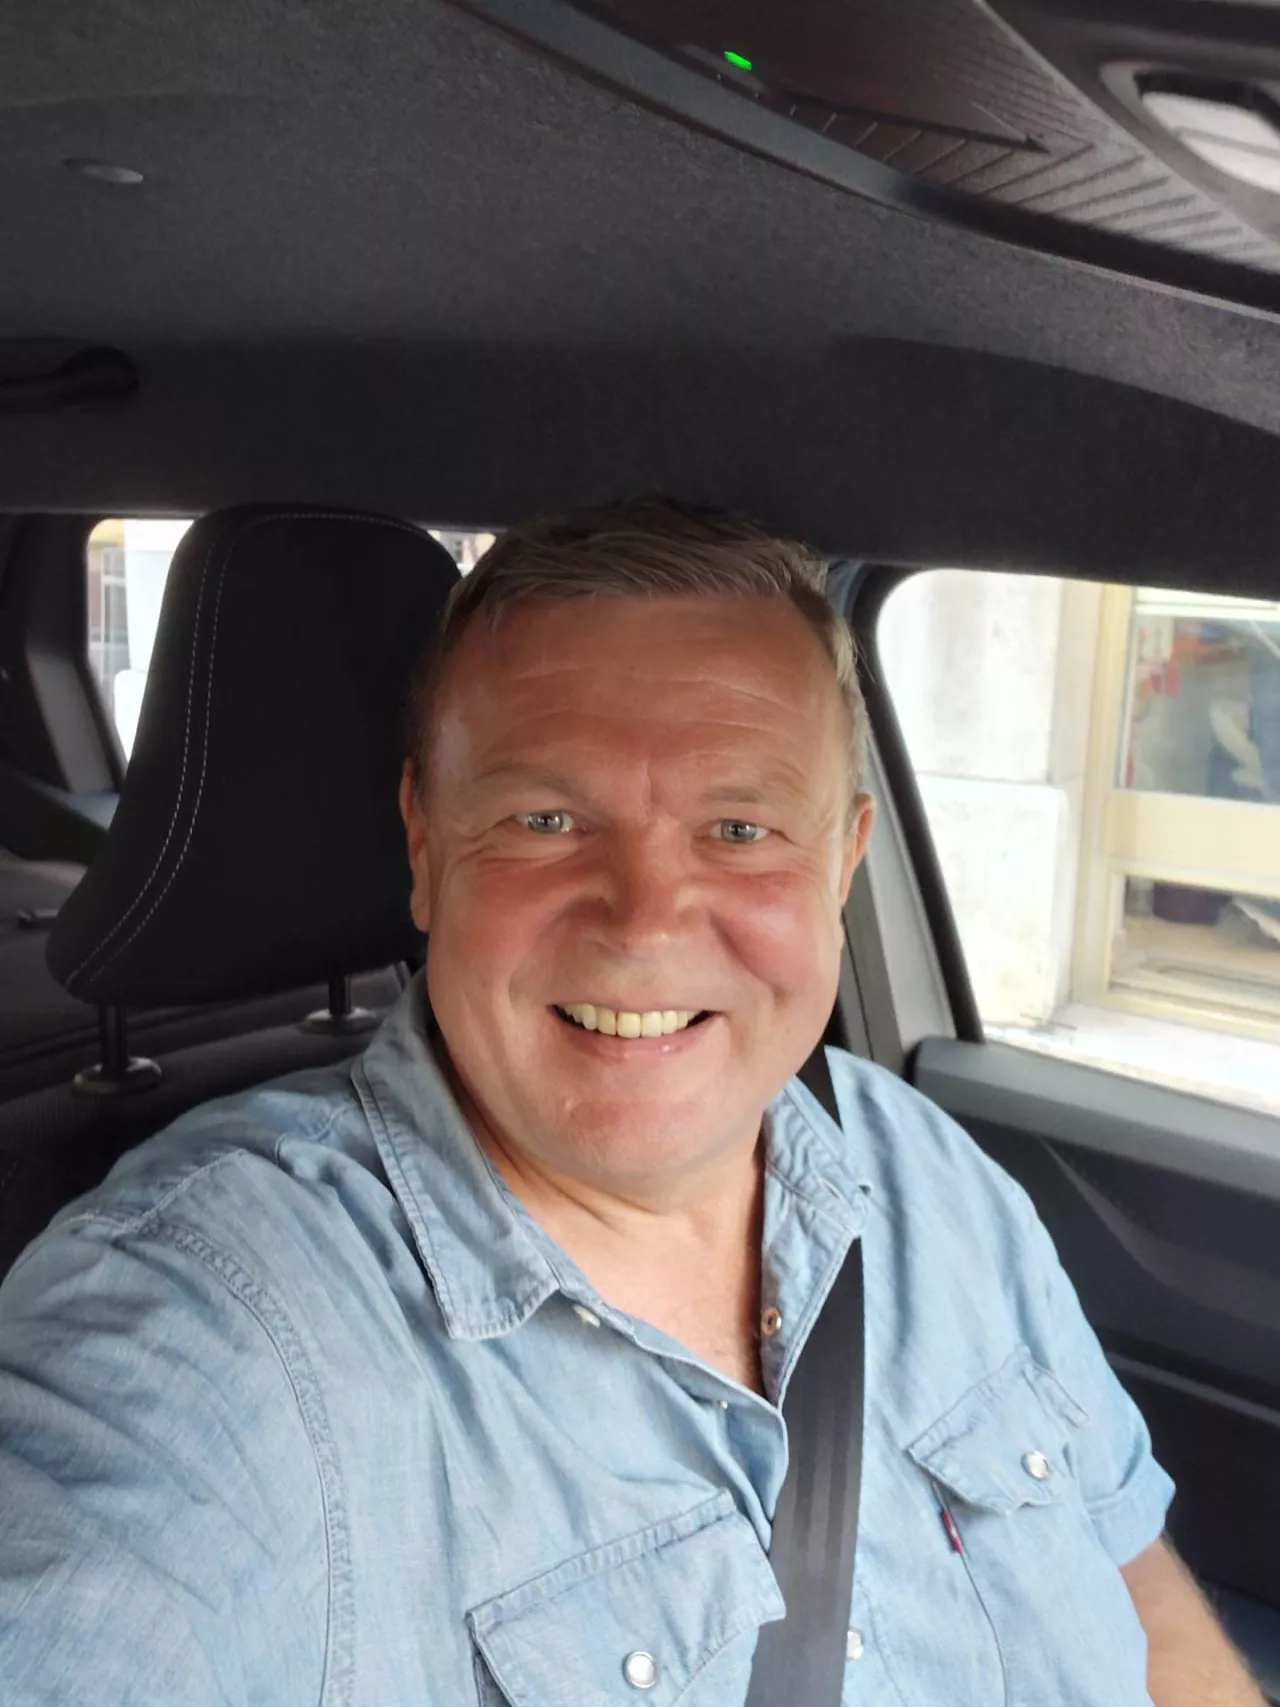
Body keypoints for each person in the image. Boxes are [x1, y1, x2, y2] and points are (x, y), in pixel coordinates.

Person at [0, 498, 1263, 1705]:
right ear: (425, 847)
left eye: (738, 829)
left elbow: (1128, 1574)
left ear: (842, 861)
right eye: (546, 817)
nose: (645, 921)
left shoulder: (921, 1166)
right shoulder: (208, 1329)